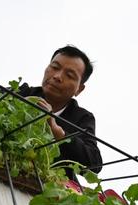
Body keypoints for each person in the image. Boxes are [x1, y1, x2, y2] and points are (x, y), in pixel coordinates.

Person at [18, 46, 102, 176]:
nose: (57, 76)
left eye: (69, 75)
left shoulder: (82, 117)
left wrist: (59, 134)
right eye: (55, 67)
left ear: (79, 89)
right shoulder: (22, 92)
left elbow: (94, 163)